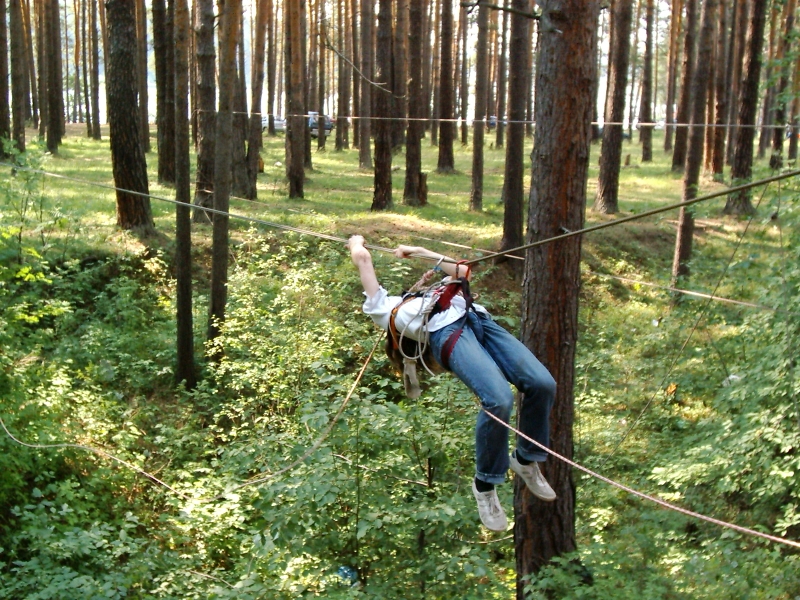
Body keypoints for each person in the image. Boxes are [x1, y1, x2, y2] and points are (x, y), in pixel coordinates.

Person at [347, 235, 557, 531]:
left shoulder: (430, 294)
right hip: (447, 334)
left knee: (542, 383)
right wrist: (355, 242)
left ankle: (525, 459)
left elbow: (461, 271)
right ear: (402, 341)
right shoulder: (384, 310)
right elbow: (363, 259)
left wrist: (420, 251)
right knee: (498, 399)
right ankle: (485, 485)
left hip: (479, 321)